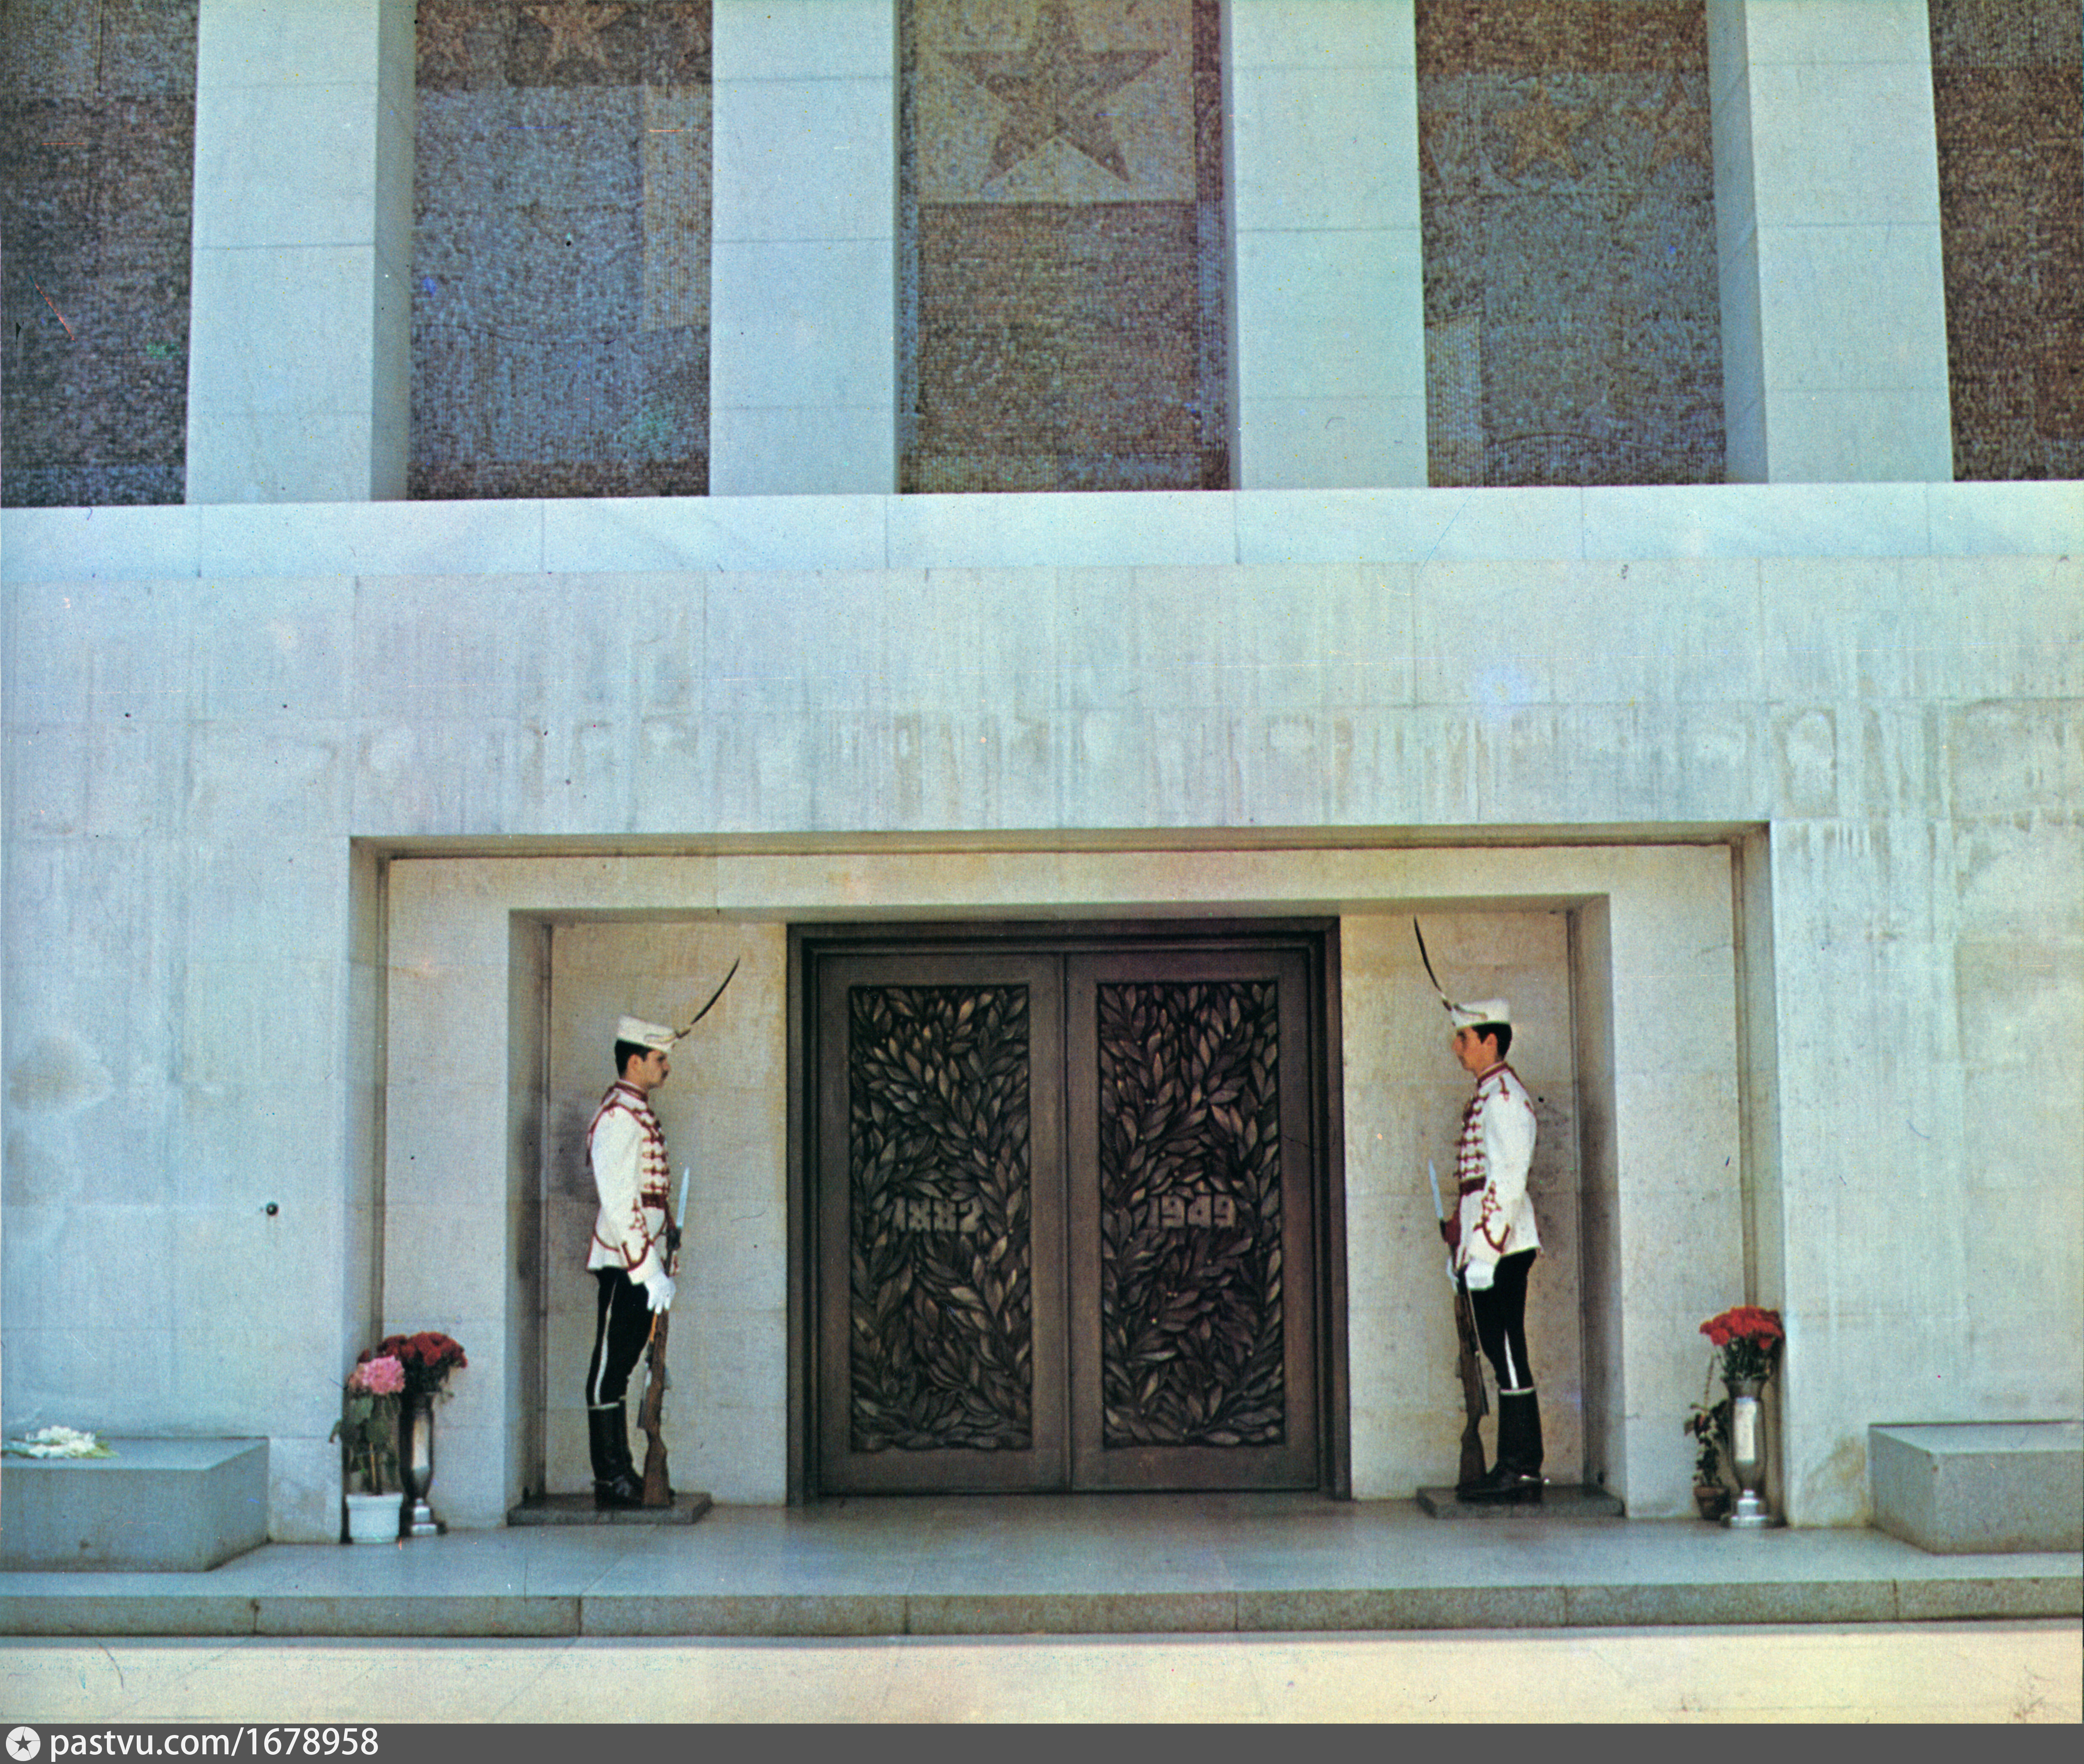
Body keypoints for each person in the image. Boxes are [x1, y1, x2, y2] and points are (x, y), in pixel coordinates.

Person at [1444, 998, 1543, 1502]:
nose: (1456, 1046)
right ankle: (1514, 1463)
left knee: (1505, 1350)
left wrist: (1484, 1249)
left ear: (1490, 1040)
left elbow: (1506, 1179)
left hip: (1502, 1244)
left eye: (1464, 1037)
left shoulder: (1502, 1097)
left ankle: (1520, 1465)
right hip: (1486, 1242)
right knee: (1498, 1349)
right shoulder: (1488, 1092)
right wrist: (1462, 1244)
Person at [584, 1015, 679, 1509]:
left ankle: (624, 1471)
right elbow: (620, 1202)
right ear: (635, 1061)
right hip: (625, 1260)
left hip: (644, 1258)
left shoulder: (637, 1111)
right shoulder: (620, 1116)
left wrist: (662, 1256)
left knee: (622, 1364)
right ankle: (610, 1476)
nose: (666, 1067)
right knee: (609, 1368)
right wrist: (646, 1268)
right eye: (659, 1059)